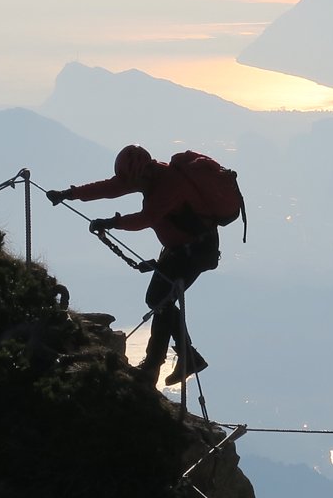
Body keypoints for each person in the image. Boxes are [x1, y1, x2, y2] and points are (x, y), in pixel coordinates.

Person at [46, 145, 218, 387]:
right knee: (161, 301)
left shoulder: (168, 185)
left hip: (195, 251)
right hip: (182, 249)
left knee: (159, 300)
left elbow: (145, 219)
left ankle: (163, 364)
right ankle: (174, 361)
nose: (128, 186)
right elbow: (109, 187)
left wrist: (111, 222)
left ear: (141, 174)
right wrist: (68, 194)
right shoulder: (144, 176)